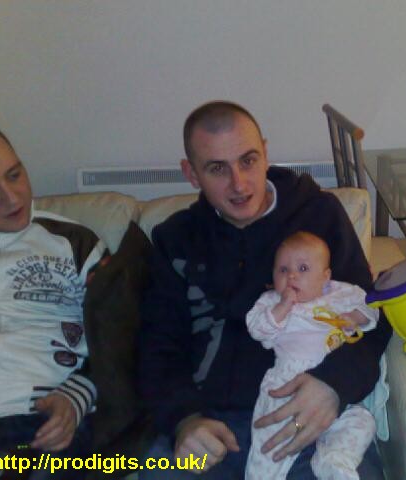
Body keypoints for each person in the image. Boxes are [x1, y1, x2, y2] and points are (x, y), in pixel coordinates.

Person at [138, 101, 392, 479]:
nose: (239, 184)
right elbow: (157, 346)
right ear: (191, 173)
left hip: (308, 414)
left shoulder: (319, 216)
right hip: (212, 426)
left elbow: (371, 316)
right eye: (217, 168)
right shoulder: (175, 239)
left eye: (248, 160)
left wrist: (334, 385)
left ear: (266, 154)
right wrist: (184, 420)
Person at [0, 121, 104, 478]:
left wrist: (76, 397)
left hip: (44, 421)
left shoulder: (76, 243)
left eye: (15, 174)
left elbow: (121, 334)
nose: (13, 198)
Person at [245, 231, 378, 480]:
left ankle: (334, 460)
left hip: (334, 380)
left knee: (361, 421)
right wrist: (283, 306)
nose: (291, 276)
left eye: (303, 268)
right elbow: (257, 329)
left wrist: (355, 318)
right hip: (286, 381)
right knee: (271, 440)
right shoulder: (270, 301)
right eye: (283, 270)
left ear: (325, 276)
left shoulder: (339, 293)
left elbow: (371, 306)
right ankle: (262, 475)